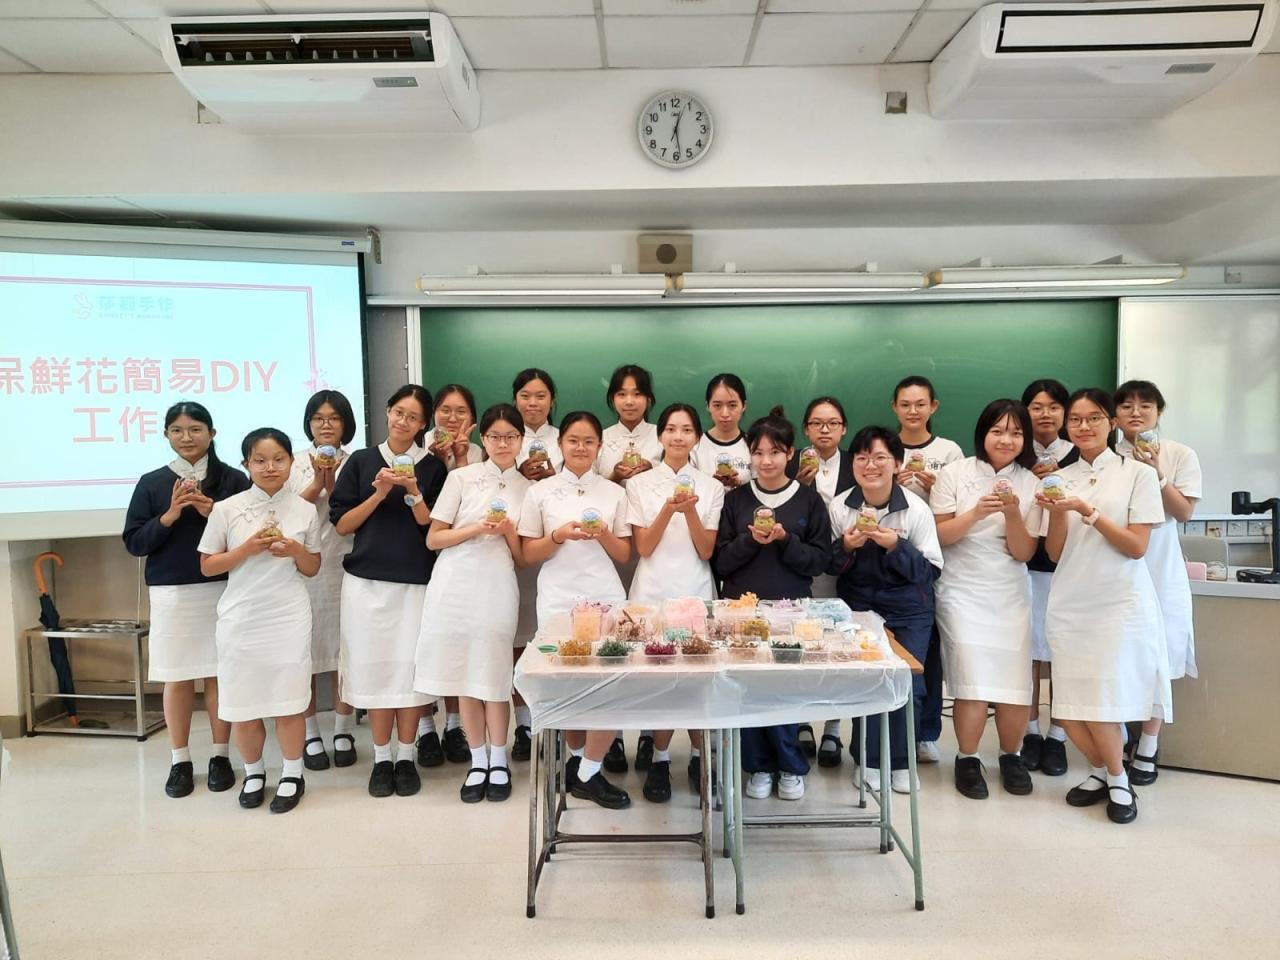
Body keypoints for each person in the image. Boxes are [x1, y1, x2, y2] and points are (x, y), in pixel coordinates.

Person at [1036, 388, 1171, 824]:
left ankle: (1117, 779)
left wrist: (1087, 511)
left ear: (1111, 423)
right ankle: (1103, 771)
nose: (1084, 426)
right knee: (1070, 705)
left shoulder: (1138, 474)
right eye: (1075, 419)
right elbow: (1055, 552)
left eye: (1094, 418)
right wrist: (1061, 509)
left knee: (1105, 699)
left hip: (1118, 601)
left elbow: (1136, 547)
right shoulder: (1059, 476)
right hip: (1070, 601)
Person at [123, 401, 250, 799]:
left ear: (212, 433)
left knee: (218, 674)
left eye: (195, 429)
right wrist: (170, 515)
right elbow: (134, 542)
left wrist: (213, 511)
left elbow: (251, 537)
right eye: (177, 430)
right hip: (172, 592)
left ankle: (220, 755)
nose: (187, 437)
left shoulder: (233, 479)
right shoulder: (152, 483)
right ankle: (180, 760)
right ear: (166, 435)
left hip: (223, 587)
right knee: (177, 676)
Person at [330, 385, 448, 799]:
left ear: (423, 424)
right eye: (398, 412)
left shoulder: (432, 467)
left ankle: (407, 757)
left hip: (415, 584)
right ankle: (382, 759)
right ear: (387, 412)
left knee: (409, 674)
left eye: (413, 417)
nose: (403, 421)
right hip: (365, 585)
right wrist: (379, 493)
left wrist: (412, 490)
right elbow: (342, 525)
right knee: (375, 672)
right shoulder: (361, 461)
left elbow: (432, 526)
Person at [198, 428, 322, 814]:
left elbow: (313, 567)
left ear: (291, 462)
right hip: (241, 617)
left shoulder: (305, 509)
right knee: (244, 703)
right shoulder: (227, 508)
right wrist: (247, 549)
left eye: (279, 459)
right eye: (260, 460)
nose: (270, 467)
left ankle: (292, 773)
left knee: (289, 700)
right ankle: (253, 772)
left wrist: (296, 550)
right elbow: (207, 565)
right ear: (246, 464)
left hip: (287, 615)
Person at [414, 404, 531, 803]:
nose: (503, 443)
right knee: (465, 676)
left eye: (510, 436)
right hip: (454, 585)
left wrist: (508, 530)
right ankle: (477, 761)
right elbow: (434, 538)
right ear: (484, 438)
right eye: (495, 436)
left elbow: (522, 557)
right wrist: (476, 528)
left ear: (521, 440)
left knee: (494, 676)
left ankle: (499, 760)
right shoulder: (461, 477)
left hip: (497, 584)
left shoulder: (528, 488)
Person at [517, 411, 633, 809]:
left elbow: (624, 554)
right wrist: (558, 535)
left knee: (611, 681)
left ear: (600, 446)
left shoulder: (614, 492)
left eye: (588, 441)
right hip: (558, 598)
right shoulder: (540, 492)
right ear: (560, 444)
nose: (580, 448)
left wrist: (603, 534)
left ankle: (586, 770)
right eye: (573, 440)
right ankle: (581, 764)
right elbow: (527, 555)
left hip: (605, 595)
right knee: (567, 684)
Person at [714, 407, 831, 802]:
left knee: (784, 690)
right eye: (758, 452)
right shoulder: (736, 500)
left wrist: (785, 540)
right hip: (742, 611)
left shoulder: (809, 501)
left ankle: (791, 767)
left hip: (791, 612)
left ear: (791, 453)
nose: (766, 461)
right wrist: (750, 540)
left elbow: (819, 561)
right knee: (747, 689)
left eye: (775, 452)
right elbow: (720, 561)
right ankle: (759, 766)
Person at [932, 400, 1042, 799]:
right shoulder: (954, 473)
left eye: (1015, 433)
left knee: (1014, 681)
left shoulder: (1031, 483)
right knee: (972, 679)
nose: (1006, 440)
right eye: (997, 431)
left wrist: (1012, 514)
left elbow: (1024, 552)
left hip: (1009, 590)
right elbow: (942, 537)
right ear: (983, 433)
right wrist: (978, 512)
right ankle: (967, 758)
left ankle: (1011, 756)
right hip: (961, 588)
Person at [829, 425, 943, 795]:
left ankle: (902, 762)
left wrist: (896, 545)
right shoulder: (840, 506)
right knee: (868, 681)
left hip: (909, 609)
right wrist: (847, 547)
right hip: (859, 607)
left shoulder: (916, 509)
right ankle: (869, 760)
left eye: (880, 457)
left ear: (897, 463)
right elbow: (828, 564)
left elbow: (931, 571)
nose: (870, 465)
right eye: (862, 458)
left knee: (907, 681)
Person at [626, 402, 725, 802]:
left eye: (686, 430)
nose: (678, 436)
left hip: (695, 589)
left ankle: (701, 756)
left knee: (698, 679)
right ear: (660, 436)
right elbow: (644, 547)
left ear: (697, 437)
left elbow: (706, 549)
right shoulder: (639, 484)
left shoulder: (712, 486)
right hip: (651, 590)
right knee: (660, 680)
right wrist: (669, 510)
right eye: (671, 429)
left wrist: (692, 512)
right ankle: (661, 757)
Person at [1114, 379, 1200, 786]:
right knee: (1117, 654)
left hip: (1161, 568)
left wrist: (1157, 474)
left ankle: (1148, 745)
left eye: (1145, 405)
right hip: (1116, 566)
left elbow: (1183, 513)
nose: (1136, 412)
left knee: (1159, 657)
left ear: (1158, 412)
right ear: (1114, 416)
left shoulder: (1179, 454)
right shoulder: (1106, 456)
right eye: (1126, 406)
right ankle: (1119, 741)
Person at [890, 375, 961, 765]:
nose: (913, 411)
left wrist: (935, 489)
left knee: (927, 651)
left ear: (933, 406)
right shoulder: (884, 447)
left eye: (920, 404)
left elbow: (957, 505)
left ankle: (927, 732)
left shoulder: (949, 451)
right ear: (894, 407)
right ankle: (888, 735)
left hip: (932, 555)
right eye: (905, 404)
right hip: (886, 556)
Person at [596, 364, 662, 772]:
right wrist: (613, 476)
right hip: (611, 549)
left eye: (637, 393)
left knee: (653, 646)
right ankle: (614, 736)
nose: (630, 401)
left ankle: (651, 735)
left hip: (654, 548)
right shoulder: (600, 438)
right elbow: (590, 486)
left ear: (649, 399)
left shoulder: (664, 434)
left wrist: (652, 474)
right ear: (612, 399)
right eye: (622, 393)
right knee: (617, 644)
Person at [287, 390, 357, 771]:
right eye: (318, 418)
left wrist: (333, 486)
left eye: (334, 418)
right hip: (304, 569)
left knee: (346, 650)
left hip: (347, 565)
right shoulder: (293, 462)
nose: (326, 424)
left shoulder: (358, 461)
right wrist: (317, 482)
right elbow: (286, 511)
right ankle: (311, 732)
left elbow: (355, 512)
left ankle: (344, 729)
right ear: (309, 423)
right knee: (307, 652)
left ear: (346, 423)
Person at [787, 395, 854, 766]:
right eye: (816, 423)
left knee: (837, 647)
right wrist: (796, 486)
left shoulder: (859, 463)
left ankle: (832, 728)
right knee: (800, 645)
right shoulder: (789, 463)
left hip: (844, 568)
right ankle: (801, 723)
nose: (824, 430)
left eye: (832, 423)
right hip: (801, 567)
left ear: (844, 429)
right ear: (806, 429)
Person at [1019, 378, 1078, 777]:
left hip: (1068, 570)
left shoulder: (1079, 454)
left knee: (1061, 654)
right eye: (1036, 407)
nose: (1045, 414)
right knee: (1027, 654)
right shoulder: (1014, 451)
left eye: (1054, 407)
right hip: (1022, 568)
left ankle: (1058, 735)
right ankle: (1029, 732)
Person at [424, 382, 484, 765]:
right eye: (445, 409)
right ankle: (425, 731)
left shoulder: (479, 453)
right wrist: (433, 461)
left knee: (457, 641)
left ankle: (454, 725)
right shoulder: (415, 448)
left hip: (461, 556)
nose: (452, 417)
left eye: (461, 411)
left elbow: (469, 508)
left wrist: (460, 458)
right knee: (425, 644)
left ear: (473, 418)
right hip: (418, 553)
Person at [510, 368, 560, 765]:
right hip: (513, 551)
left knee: (550, 640)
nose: (532, 403)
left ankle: (556, 719)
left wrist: (553, 477)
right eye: (525, 395)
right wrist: (517, 473)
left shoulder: (566, 438)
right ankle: (525, 725)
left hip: (555, 552)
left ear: (551, 401)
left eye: (540, 396)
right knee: (517, 639)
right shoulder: (506, 437)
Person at [691, 373, 752, 490]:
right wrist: (713, 484)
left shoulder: (754, 445)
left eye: (732, 405)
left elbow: (762, 489)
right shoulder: (695, 446)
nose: (725, 414)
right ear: (708, 406)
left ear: (744, 406)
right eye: (717, 405)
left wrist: (739, 485)